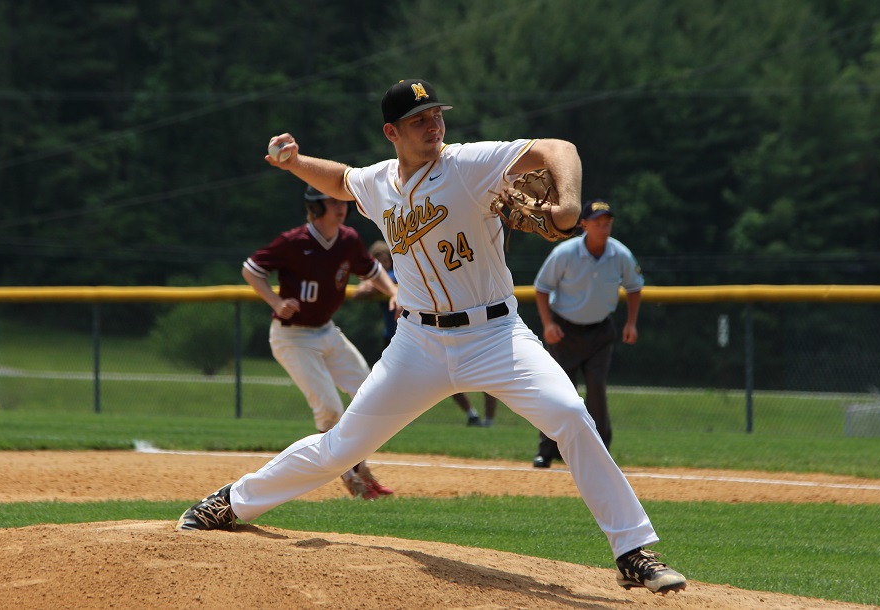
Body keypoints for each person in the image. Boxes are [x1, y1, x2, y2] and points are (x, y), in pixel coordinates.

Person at [176, 78, 685, 595]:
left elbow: (559, 149)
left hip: (495, 336)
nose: (434, 124)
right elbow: (342, 181)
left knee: (573, 416)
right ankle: (231, 501)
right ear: (391, 132)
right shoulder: (380, 182)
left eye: (437, 114)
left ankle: (632, 550)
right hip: (417, 345)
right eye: (420, 119)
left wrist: (570, 205)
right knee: (340, 448)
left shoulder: (469, 163)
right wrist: (295, 162)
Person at [239, 185, 399, 500]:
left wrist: (393, 292)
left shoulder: (348, 239)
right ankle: (350, 478)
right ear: (315, 207)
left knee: (368, 391)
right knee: (330, 409)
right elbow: (251, 270)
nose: (340, 207)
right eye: (332, 202)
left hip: (326, 330)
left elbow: (373, 269)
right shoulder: (293, 241)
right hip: (292, 336)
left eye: (342, 202)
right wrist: (274, 300)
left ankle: (361, 471)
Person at [531, 199, 643, 468]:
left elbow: (634, 286)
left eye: (607, 224)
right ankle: (547, 451)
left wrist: (631, 323)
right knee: (559, 392)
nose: (604, 229)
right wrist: (547, 324)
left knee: (596, 390)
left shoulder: (620, 255)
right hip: (565, 331)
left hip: (600, 332)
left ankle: (600, 452)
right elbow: (542, 287)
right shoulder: (565, 253)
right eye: (598, 224)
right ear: (583, 225)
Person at [356, 241, 497, 427]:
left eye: (385, 257)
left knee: (467, 375)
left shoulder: (397, 275)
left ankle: (483, 418)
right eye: (378, 259)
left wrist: (375, 283)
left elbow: (398, 280)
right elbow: (359, 293)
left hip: (424, 333)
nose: (384, 261)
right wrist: (370, 282)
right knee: (398, 382)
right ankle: (403, 416)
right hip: (395, 336)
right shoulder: (384, 280)